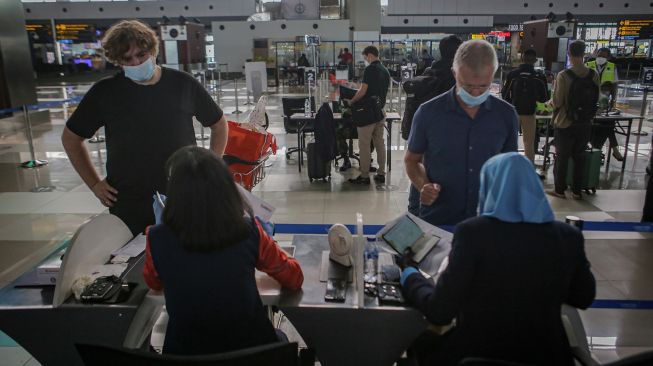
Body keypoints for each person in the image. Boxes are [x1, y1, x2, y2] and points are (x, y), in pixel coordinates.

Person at [400, 152, 596, 366]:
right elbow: (583, 297)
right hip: (547, 357)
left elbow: (440, 311)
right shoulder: (567, 236)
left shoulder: (474, 233)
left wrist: (409, 275)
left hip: (478, 355)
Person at [61, 20, 228, 236]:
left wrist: (209, 169)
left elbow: (218, 123)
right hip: (129, 198)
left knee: (185, 254)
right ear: (117, 61)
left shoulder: (182, 84)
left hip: (182, 191)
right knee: (133, 263)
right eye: (127, 59)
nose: (136, 62)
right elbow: (71, 139)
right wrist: (94, 184)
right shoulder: (105, 92)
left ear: (153, 51)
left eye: (141, 55)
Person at [143, 146, 303, 355]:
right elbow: (294, 277)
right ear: (226, 188)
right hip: (252, 354)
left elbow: (153, 283)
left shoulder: (156, 237)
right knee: (279, 338)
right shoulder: (248, 230)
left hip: (185, 356)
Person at [404, 40, 518, 226]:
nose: (475, 93)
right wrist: (424, 185)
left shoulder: (505, 115)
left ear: (493, 76)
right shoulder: (429, 113)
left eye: (483, 86)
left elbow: (509, 166)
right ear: (454, 73)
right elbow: (411, 160)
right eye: (467, 86)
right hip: (439, 219)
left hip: (486, 219)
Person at [406, 35, 463, 215]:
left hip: (424, 131)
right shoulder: (455, 76)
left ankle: (414, 209)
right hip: (448, 135)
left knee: (419, 168)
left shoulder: (429, 71)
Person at [547, 40, 600, 200]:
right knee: (580, 157)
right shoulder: (593, 74)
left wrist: (547, 104)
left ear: (569, 54)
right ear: (584, 54)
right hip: (585, 122)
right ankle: (577, 191)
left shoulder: (564, 75)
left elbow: (557, 102)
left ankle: (560, 190)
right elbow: (596, 98)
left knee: (562, 157)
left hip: (565, 122)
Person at [345, 46, 390, 184]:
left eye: (365, 57)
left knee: (364, 145)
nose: (365, 60)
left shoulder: (370, 69)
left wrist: (351, 102)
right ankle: (381, 173)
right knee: (379, 143)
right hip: (380, 112)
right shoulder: (385, 70)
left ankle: (364, 176)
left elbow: (363, 91)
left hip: (368, 114)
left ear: (370, 55)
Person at [501, 48, 548, 166]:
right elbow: (544, 98)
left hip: (514, 113)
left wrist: (511, 104)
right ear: (535, 60)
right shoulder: (539, 76)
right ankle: (529, 169)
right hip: (530, 113)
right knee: (528, 143)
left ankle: (510, 167)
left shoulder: (513, 75)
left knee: (511, 142)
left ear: (522, 59)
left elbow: (504, 94)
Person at [587, 48, 623, 161]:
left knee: (607, 123)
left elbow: (614, 85)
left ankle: (599, 148)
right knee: (608, 126)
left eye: (603, 56)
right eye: (599, 55)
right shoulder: (588, 64)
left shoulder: (612, 67)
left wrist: (613, 101)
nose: (600, 57)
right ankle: (614, 149)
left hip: (604, 102)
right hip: (589, 101)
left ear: (608, 57)